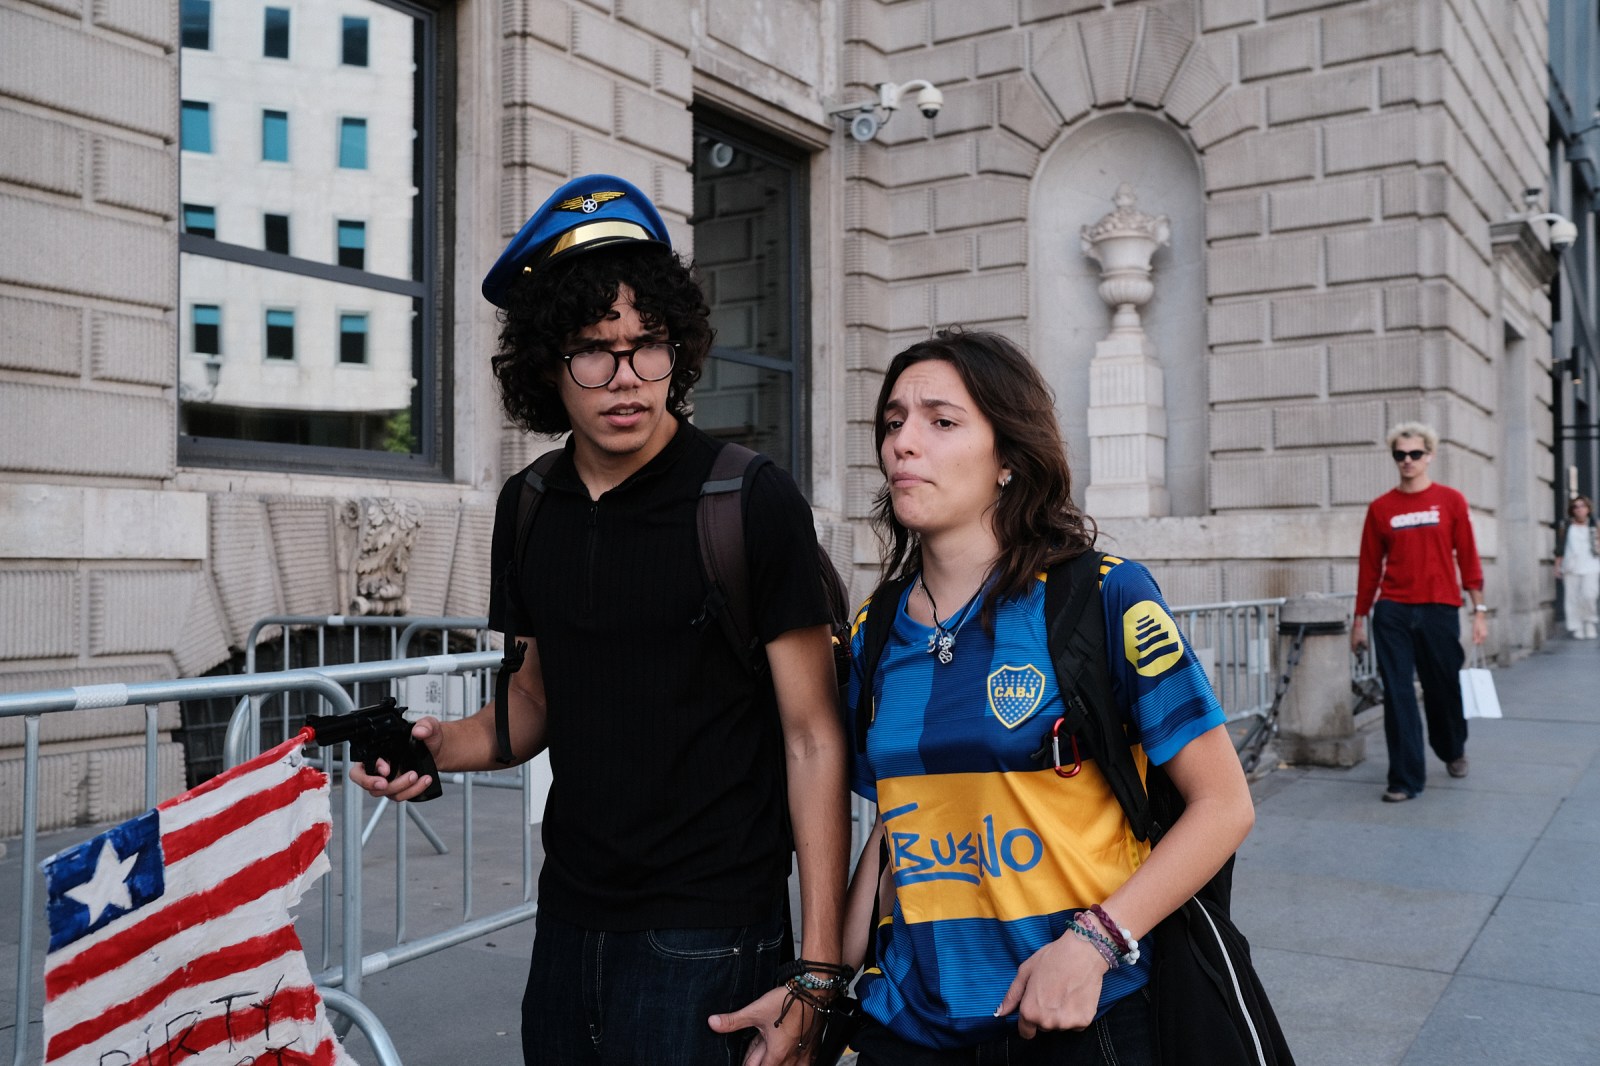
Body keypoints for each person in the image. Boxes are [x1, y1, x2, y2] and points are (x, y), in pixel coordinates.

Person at [353, 173, 850, 1066]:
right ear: (549, 364)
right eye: (593, 350)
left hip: (710, 933)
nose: (626, 379)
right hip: (570, 921)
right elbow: (533, 704)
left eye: (647, 346)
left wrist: (818, 976)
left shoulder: (747, 497)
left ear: (678, 351)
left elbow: (814, 739)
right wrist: (432, 749)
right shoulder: (530, 503)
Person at [838, 329, 1255, 1064]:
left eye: (941, 420)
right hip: (908, 1024)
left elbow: (1224, 805)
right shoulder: (875, 628)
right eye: (893, 421)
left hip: (1077, 1017)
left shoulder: (1102, 594)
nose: (904, 442)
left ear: (1007, 457)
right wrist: (827, 984)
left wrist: (1094, 944)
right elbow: (894, 822)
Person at [1349, 422, 1486, 803]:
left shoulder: (1451, 501)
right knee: (1397, 693)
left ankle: (1452, 747)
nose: (1407, 461)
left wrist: (1479, 610)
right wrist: (1359, 619)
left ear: (1430, 456)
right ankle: (1405, 778)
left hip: (1439, 608)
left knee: (1442, 688)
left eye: (1415, 454)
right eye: (1400, 455)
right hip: (1392, 611)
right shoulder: (1381, 508)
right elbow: (1369, 567)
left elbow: (1469, 557)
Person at [1554, 495, 1599, 639]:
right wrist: (1557, 565)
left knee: (1589, 595)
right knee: (1572, 597)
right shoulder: (1566, 525)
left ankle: (1589, 622)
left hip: (1591, 564)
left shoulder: (1595, 524)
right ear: (1572, 510)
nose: (1579, 509)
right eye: (1576, 506)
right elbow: (1560, 547)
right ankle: (1576, 625)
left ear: (1588, 509)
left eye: (1582, 506)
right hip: (1571, 565)